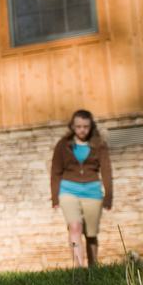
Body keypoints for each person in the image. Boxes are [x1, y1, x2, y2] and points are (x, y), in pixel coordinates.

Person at [51, 110, 113, 268]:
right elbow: (56, 171)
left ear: (91, 126)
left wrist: (108, 196)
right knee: (74, 226)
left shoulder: (99, 145)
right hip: (68, 190)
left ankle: (93, 268)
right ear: (72, 126)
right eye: (78, 126)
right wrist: (55, 197)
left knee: (91, 234)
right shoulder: (63, 145)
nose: (82, 130)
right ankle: (78, 269)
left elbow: (106, 170)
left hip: (92, 192)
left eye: (86, 126)